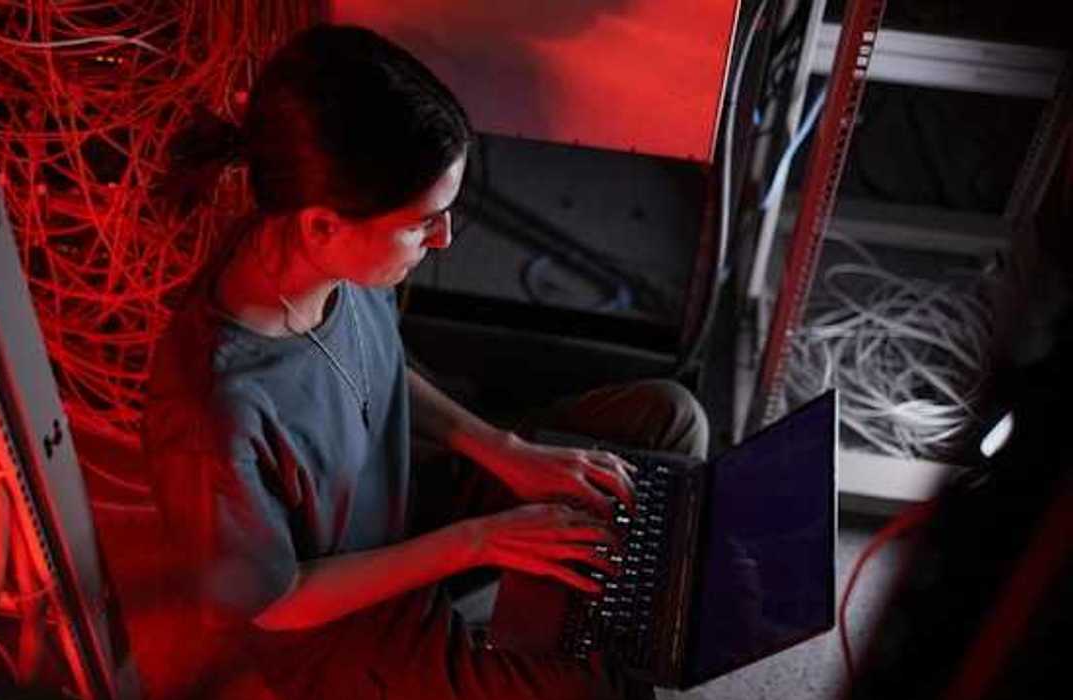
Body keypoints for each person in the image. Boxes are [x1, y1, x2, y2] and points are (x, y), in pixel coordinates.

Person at [142, 24, 709, 700]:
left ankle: (626, 601)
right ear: (323, 224)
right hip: (339, 620)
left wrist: (502, 450)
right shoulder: (214, 410)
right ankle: (611, 619)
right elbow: (278, 601)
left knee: (665, 421)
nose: (441, 239)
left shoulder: (327, 261)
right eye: (421, 222)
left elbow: (378, 373)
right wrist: (477, 542)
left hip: (409, 502)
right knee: (596, 688)